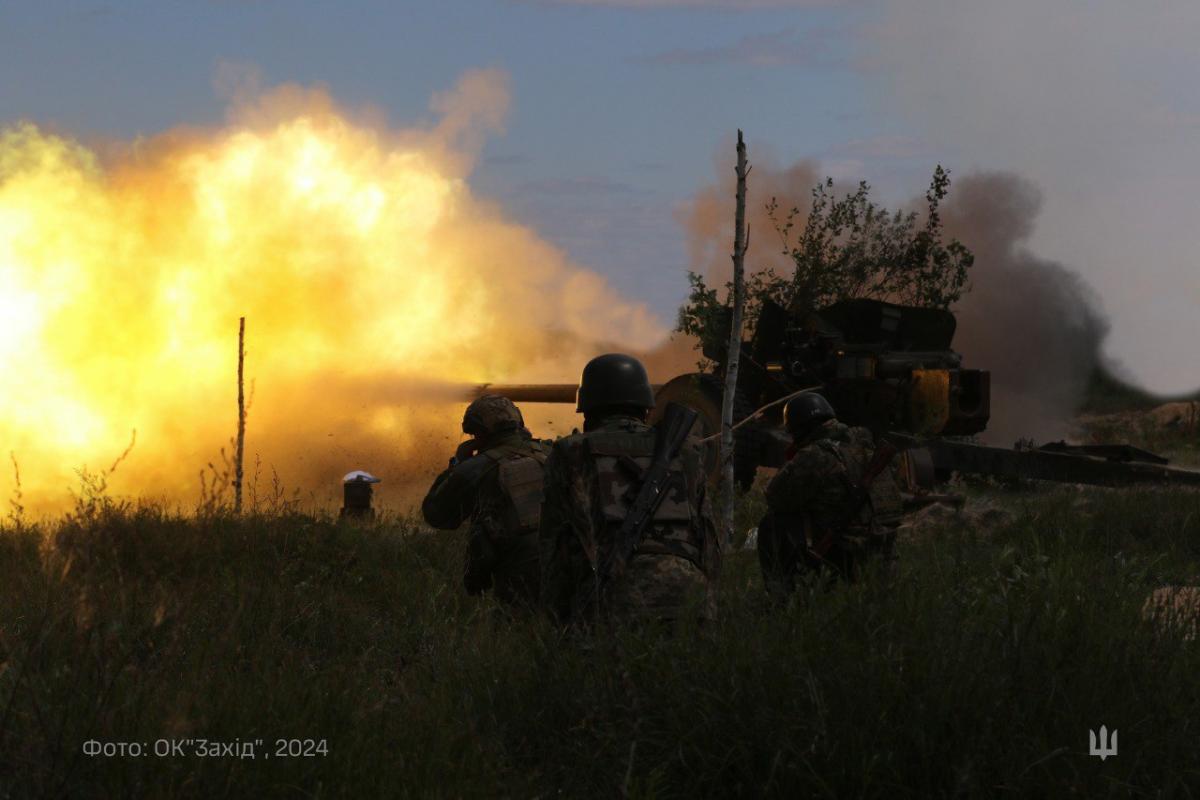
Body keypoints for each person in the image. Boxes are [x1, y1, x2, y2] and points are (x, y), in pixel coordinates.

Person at [538, 353, 720, 626]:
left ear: (588, 411)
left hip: (612, 599)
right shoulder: (687, 451)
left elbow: (554, 541)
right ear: (646, 408)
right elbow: (708, 537)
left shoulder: (571, 452)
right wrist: (707, 594)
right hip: (691, 597)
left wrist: (558, 617)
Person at [758, 393, 904, 597]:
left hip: (846, 554)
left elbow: (775, 497)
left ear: (799, 429)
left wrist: (793, 461)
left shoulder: (815, 455)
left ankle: (782, 595)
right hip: (886, 553)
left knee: (772, 524)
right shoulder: (865, 444)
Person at [422, 394, 550, 605]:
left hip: (516, 579)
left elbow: (437, 515)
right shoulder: (551, 453)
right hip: (566, 570)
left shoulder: (476, 468)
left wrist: (457, 464)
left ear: (479, 434)